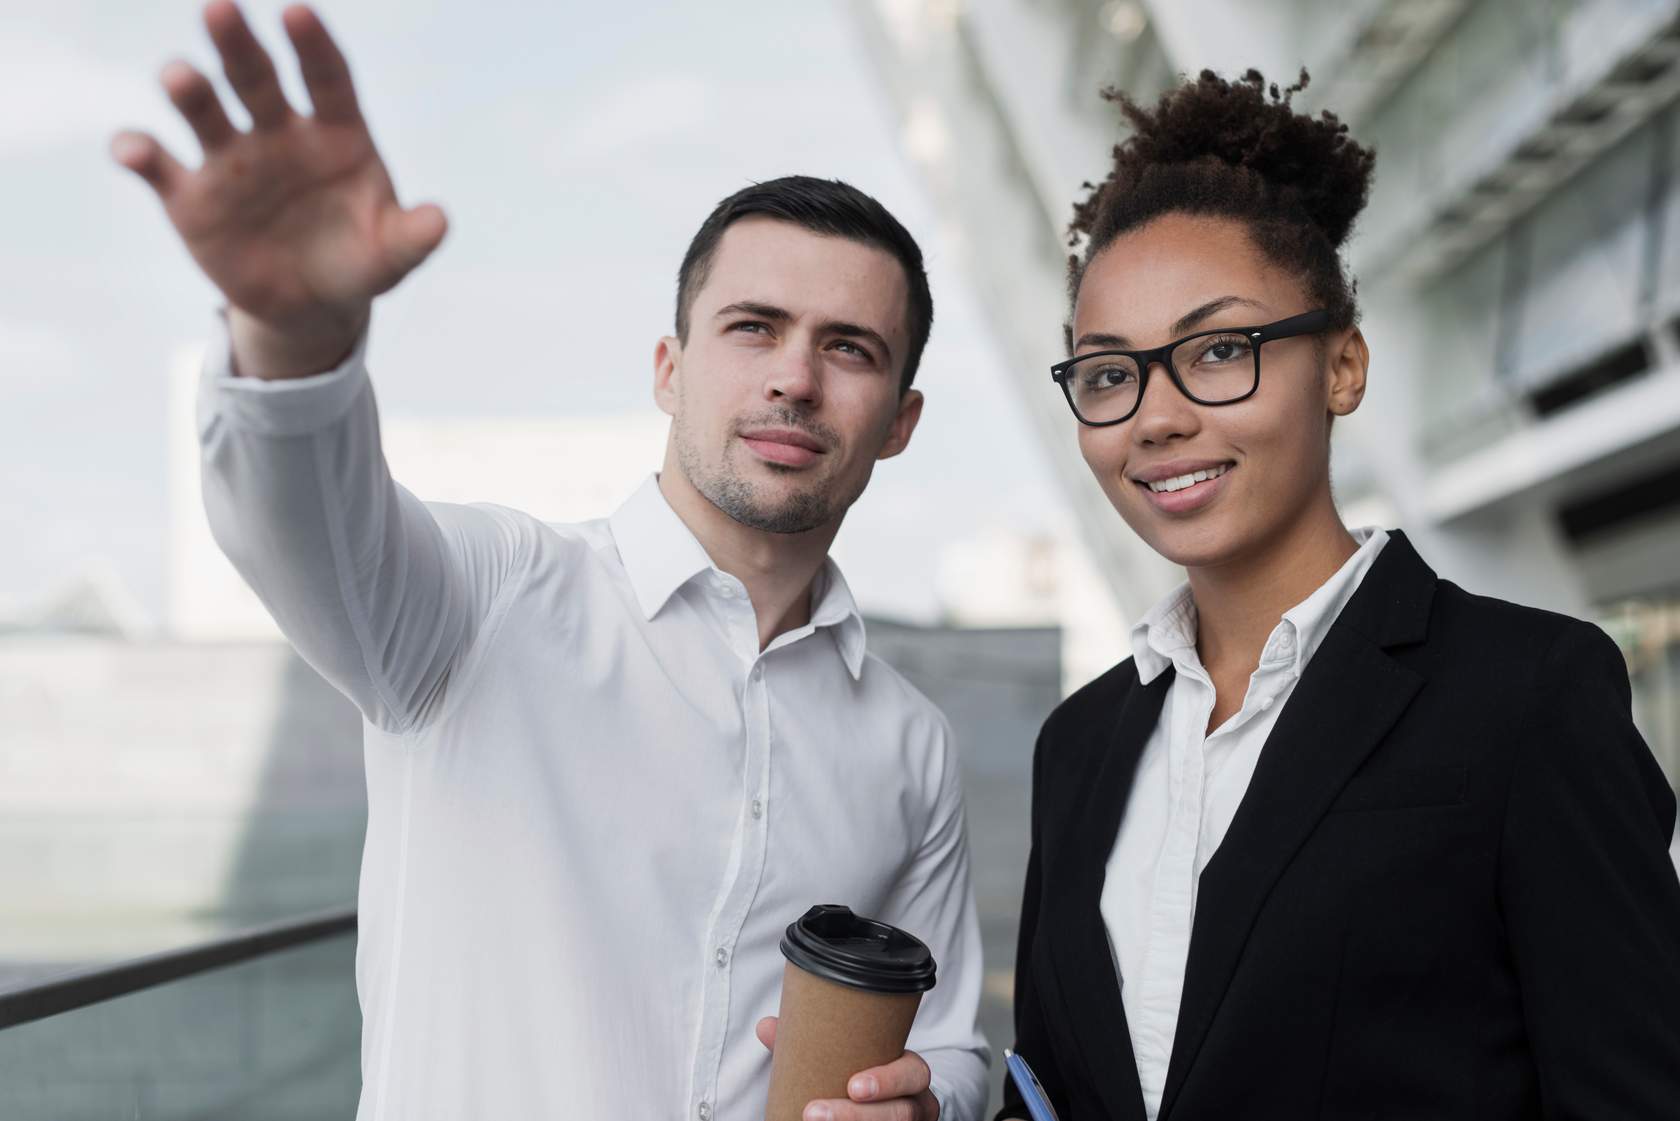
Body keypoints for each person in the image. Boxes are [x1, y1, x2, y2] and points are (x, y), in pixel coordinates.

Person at [110, 4, 989, 1119]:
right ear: (668, 368)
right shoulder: (485, 600)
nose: (795, 379)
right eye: (753, 327)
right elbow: (300, 520)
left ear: (901, 419)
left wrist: (926, 1103)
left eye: (848, 347)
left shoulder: (908, 739)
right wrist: (292, 340)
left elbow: (952, 1040)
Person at [999, 70, 1680, 1121]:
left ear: (1343, 366)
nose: (1156, 416)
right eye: (1106, 373)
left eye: (1218, 349)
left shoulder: (1527, 695)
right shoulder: (1079, 746)